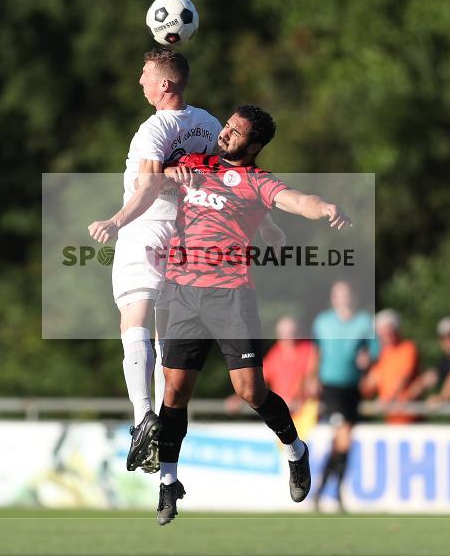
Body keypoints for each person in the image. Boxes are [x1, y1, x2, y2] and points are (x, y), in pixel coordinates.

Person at [153, 104, 352, 525]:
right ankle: (168, 483)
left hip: (230, 296)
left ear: (255, 145)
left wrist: (325, 207)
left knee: (249, 391)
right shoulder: (193, 162)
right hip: (183, 292)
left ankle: (295, 450)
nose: (224, 134)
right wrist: (170, 175)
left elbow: (297, 199)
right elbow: (150, 176)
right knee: (174, 393)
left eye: (235, 132)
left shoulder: (256, 182)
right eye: (226, 126)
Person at [87, 49, 284, 473]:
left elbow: (145, 187)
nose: (140, 81)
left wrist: (116, 221)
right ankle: (158, 426)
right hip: (184, 243)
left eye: (144, 75)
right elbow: (235, 178)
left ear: (164, 85)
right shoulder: (209, 124)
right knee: (166, 342)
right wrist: (265, 224)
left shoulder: (154, 129)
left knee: (133, 322)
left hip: (145, 231)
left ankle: (143, 419)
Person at [307, 280, 376, 512]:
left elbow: (374, 352)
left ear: (353, 296)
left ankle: (324, 490)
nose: (343, 298)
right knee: (343, 436)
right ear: (333, 298)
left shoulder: (365, 322)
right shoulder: (323, 322)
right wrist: (312, 378)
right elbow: (316, 352)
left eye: (347, 294)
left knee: (342, 441)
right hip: (331, 386)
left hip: (352, 387)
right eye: (339, 294)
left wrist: (367, 362)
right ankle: (333, 492)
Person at [224, 316, 318, 417]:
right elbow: (256, 381)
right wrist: (238, 398)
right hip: (283, 413)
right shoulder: (275, 354)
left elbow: (312, 380)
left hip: (306, 413)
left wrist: (297, 399)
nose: (289, 336)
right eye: (285, 333)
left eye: (292, 332)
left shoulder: (310, 350)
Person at [363, 309, 420, 424]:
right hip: (391, 420)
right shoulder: (382, 354)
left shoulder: (407, 348)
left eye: (388, 329)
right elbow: (369, 386)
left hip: (410, 418)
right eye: (381, 331)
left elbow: (405, 376)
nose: (385, 334)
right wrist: (362, 368)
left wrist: (387, 399)